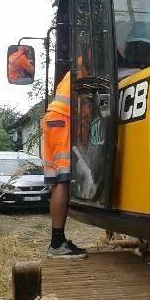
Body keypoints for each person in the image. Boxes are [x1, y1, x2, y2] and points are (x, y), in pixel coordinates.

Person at [43, 71, 87, 258]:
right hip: (63, 120)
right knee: (63, 179)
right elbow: (85, 108)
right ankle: (57, 245)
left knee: (57, 180)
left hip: (53, 120)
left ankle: (57, 241)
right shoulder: (85, 65)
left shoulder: (71, 71)